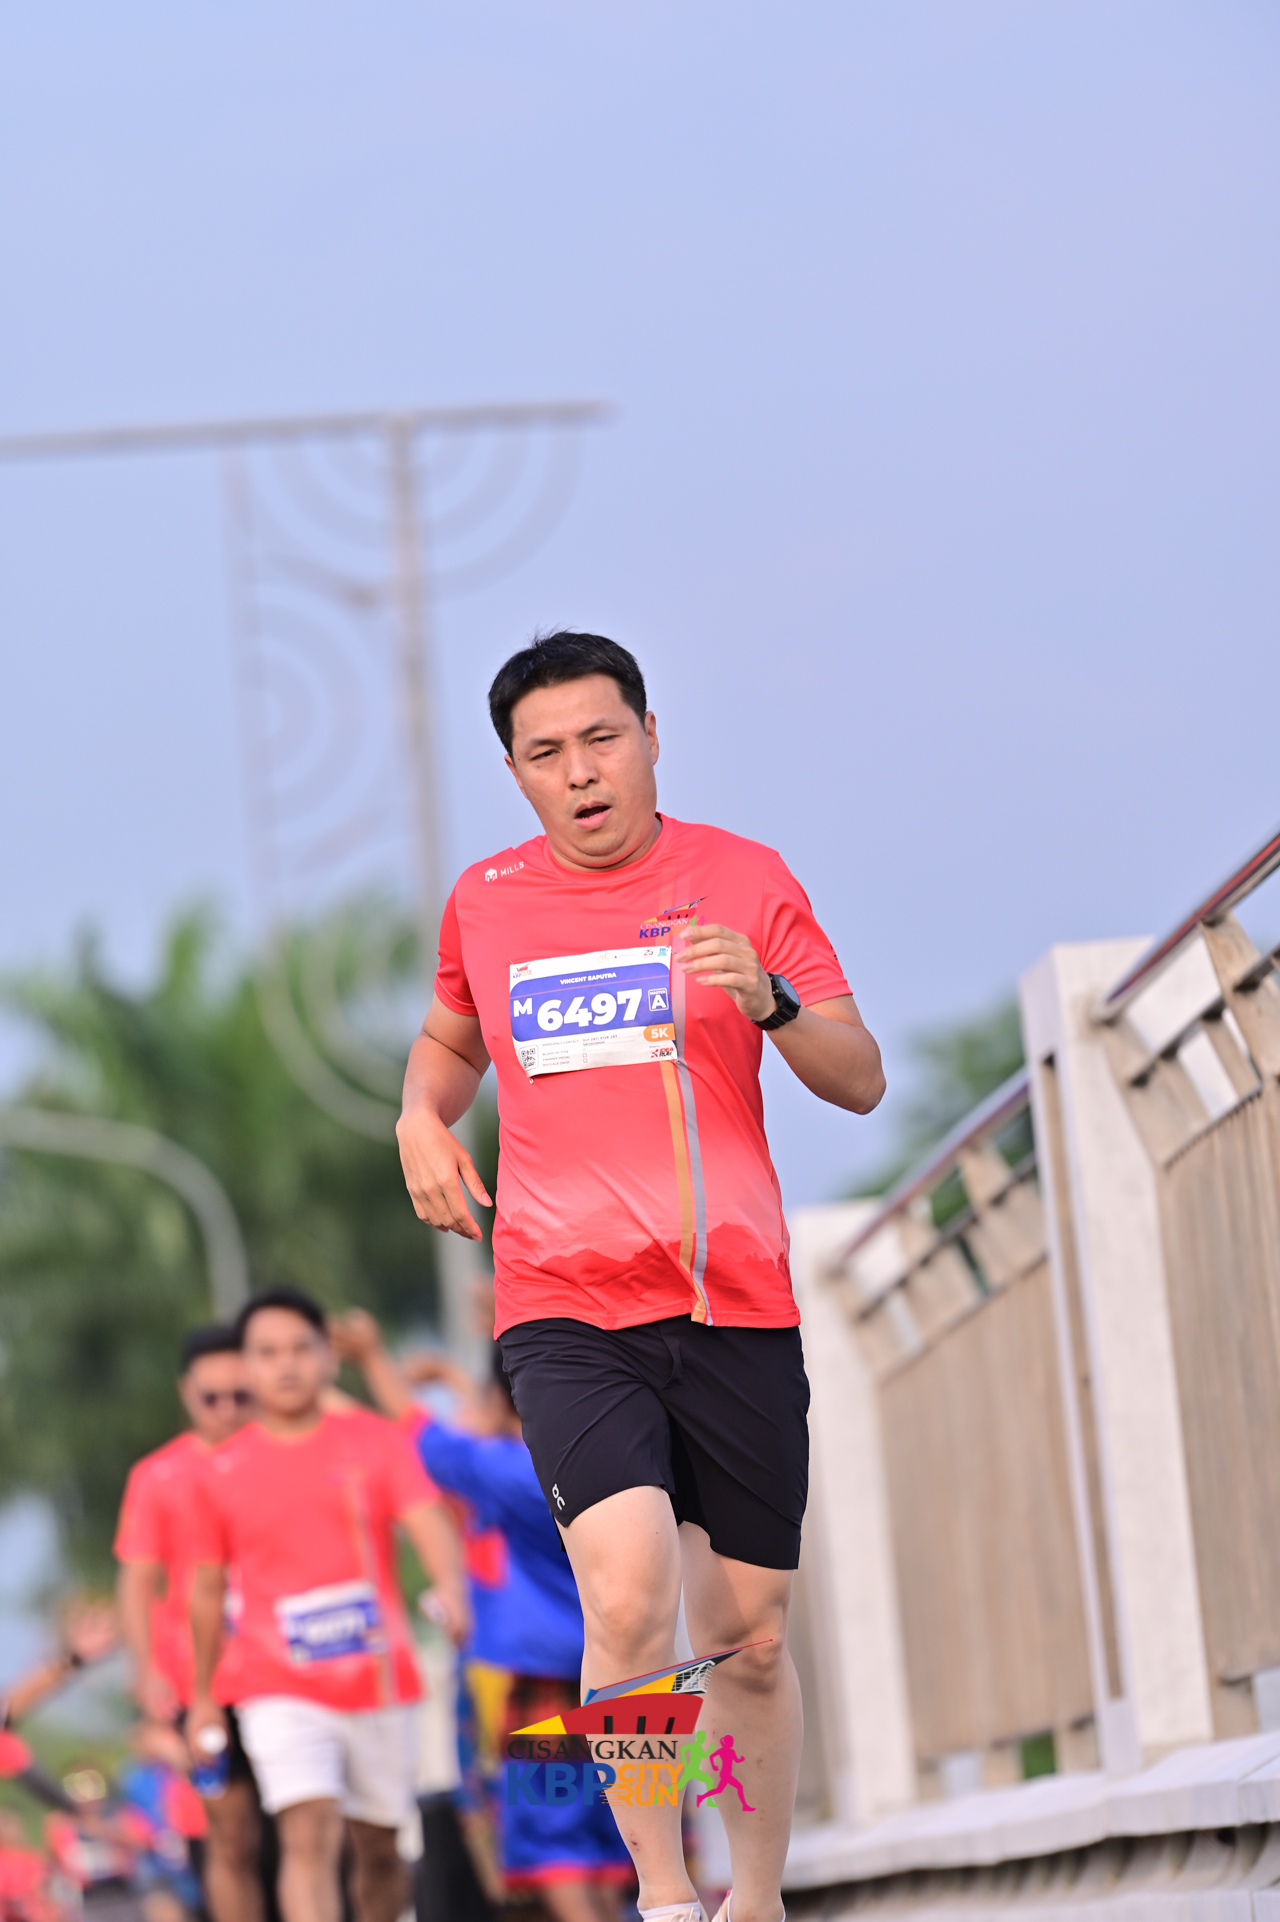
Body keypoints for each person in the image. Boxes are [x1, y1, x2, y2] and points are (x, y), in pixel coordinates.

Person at [395, 633, 885, 1922]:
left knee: (749, 1638)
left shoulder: (743, 875)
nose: (580, 772)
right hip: (564, 1304)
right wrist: (418, 1115)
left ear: (651, 736)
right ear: (516, 772)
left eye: (600, 739)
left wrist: (772, 1001)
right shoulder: (486, 900)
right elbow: (448, 1038)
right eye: (546, 752)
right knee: (621, 1593)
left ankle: (753, 1898)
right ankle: (662, 1896)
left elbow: (858, 1076)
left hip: (732, 1302)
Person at [331, 1309, 634, 1922]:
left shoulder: (508, 1470)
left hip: (534, 1674)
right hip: (626, 1667)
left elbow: (422, 1433)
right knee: (621, 1834)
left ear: (503, 1398)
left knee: (554, 1838)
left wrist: (370, 1358)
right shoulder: (617, 1460)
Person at [187, 1287, 469, 1922]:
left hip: (377, 1680)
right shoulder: (220, 1471)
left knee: (380, 1851)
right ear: (247, 1366)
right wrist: (203, 1694)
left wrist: (450, 1588)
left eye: (299, 1348)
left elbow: (430, 1525)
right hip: (276, 1683)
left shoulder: (375, 1442)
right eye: (267, 1353)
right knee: (306, 1833)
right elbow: (205, 1591)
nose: (285, 1364)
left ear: (327, 1358)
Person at [114, 1325, 263, 1922]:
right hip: (200, 1687)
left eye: (240, 1395)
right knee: (229, 1837)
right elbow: (136, 1581)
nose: (227, 1409)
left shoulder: (281, 1459)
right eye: (211, 1397)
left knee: (309, 1828)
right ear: (186, 1393)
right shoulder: (157, 1476)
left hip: (287, 1674)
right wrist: (146, 1669)